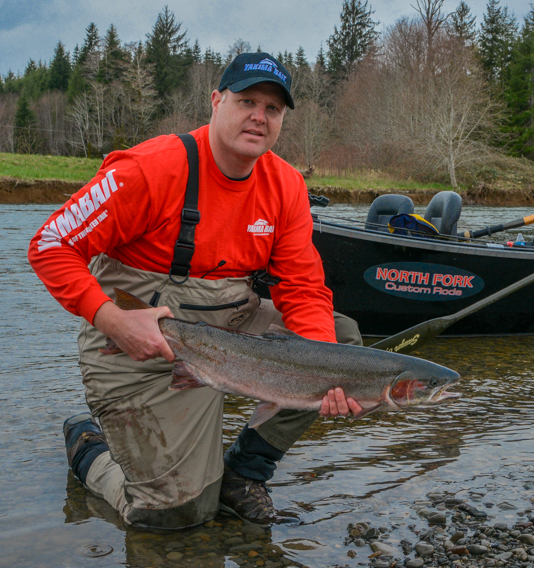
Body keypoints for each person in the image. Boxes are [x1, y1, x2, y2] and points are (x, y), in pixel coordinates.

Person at [29, 52, 363, 529]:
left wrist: (325, 371)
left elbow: (303, 288)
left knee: (342, 343)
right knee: (174, 516)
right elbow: (49, 244)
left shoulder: (286, 185)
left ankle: (244, 472)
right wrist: (112, 320)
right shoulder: (149, 170)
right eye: (247, 100)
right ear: (215, 101)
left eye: (272, 109)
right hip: (136, 347)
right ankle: (89, 448)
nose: (258, 116)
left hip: (230, 331)